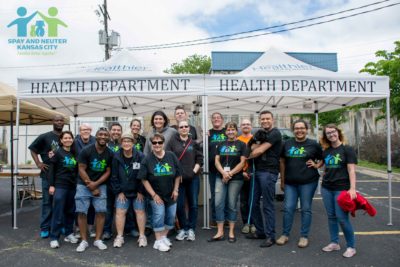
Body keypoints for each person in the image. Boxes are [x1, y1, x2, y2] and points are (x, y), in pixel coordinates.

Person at [276, 119, 322, 248]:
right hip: (290, 183)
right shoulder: (286, 143)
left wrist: (317, 164)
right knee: (288, 208)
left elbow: (324, 157)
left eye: (302, 128)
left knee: (306, 209)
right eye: (296, 128)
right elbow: (282, 162)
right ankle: (285, 234)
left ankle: (304, 236)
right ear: (293, 130)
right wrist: (283, 181)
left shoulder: (313, 144)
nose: (299, 130)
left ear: (306, 130)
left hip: (308, 182)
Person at [138, 133, 181, 252]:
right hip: (156, 194)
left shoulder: (171, 156)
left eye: (159, 142)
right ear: (151, 144)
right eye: (154, 142)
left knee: (171, 216)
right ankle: (157, 241)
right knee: (158, 216)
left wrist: (176, 189)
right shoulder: (147, 159)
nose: (157, 145)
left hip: (171, 193)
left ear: (163, 143)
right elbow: (144, 179)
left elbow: (178, 174)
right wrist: (153, 195)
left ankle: (163, 237)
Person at [320, 124, 357, 258]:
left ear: (338, 132)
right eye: (328, 133)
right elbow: (325, 167)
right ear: (326, 136)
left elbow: (351, 170)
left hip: (341, 189)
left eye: (333, 132)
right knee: (331, 217)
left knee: (342, 218)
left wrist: (352, 188)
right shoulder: (326, 151)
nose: (331, 135)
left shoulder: (347, 149)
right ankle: (334, 243)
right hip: (326, 188)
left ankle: (351, 246)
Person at [247, 110, 282, 248]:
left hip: (268, 172)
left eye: (267, 118)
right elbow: (250, 147)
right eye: (263, 119)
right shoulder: (261, 133)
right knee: (253, 203)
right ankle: (260, 231)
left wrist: (253, 149)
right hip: (257, 172)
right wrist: (252, 148)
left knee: (267, 205)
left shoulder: (275, 133)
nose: (265, 121)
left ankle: (270, 236)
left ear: (272, 119)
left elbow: (257, 151)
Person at [75, 127, 113, 252]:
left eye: (105, 135)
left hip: (100, 184)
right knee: (81, 212)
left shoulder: (110, 153)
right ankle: (84, 240)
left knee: (101, 212)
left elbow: (108, 171)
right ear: (95, 136)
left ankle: (97, 239)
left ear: (109, 138)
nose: (103, 137)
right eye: (100, 134)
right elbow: (81, 168)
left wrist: (95, 184)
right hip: (84, 184)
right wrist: (90, 186)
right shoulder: (86, 151)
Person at [208, 122, 247, 243]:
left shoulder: (242, 144)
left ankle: (231, 232)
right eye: (228, 130)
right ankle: (220, 232)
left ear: (236, 131)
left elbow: (242, 163)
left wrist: (230, 174)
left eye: (233, 129)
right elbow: (216, 161)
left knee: (231, 204)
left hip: (236, 178)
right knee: (218, 203)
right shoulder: (220, 144)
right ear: (226, 132)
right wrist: (224, 173)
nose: (230, 132)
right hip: (221, 177)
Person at [166, 120, 203, 241]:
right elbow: (169, 159)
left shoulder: (194, 143)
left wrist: (193, 172)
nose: (184, 128)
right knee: (180, 205)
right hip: (178, 180)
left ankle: (191, 229)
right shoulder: (172, 142)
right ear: (178, 129)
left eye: (186, 126)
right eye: (181, 127)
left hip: (193, 178)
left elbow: (199, 159)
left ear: (189, 128)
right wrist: (176, 174)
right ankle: (183, 229)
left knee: (193, 204)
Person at [29, 115, 65, 238]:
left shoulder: (66, 137)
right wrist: (38, 163)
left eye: (61, 120)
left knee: (61, 202)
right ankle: (45, 227)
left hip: (62, 176)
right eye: (57, 120)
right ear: (52, 122)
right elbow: (32, 149)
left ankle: (61, 225)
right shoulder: (45, 137)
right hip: (47, 175)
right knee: (47, 202)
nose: (59, 122)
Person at [110, 132, 146, 248]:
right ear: (121, 143)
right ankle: (120, 237)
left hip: (137, 191)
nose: (126, 143)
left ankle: (142, 236)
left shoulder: (140, 156)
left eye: (129, 141)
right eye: (124, 141)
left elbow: (143, 175)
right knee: (120, 212)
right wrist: (119, 191)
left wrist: (140, 191)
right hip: (122, 191)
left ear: (133, 143)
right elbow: (114, 176)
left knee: (140, 211)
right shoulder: (116, 156)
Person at [48, 131, 79, 248]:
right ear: (61, 140)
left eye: (70, 138)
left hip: (72, 186)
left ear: (72, 140)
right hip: (60, 185)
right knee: (58, 211)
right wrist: (51, 185)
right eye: (65, 138)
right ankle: (54, 237)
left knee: (70, 211)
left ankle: (69, 233)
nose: (68, 140)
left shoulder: (74, 153)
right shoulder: (57, 153)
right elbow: (51, 170)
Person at [75, 123, 96, 238]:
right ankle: (78, 228)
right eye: (83, 129)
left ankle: (91, 227)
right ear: (80, 131)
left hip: (93, 177)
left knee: (92, 205)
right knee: (80, 206)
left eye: (88, 129)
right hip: (79, 178)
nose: (86, 131)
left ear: (91, 130)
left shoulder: (95, 141)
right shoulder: (74, 141)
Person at [103, 122, 123, 240]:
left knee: (124, 206)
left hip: (122, 180)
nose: (116, 132)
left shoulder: (124, 143)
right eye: (114, 130)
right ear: (110, 131)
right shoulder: (105, 144)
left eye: (118, 130)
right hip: (108, 181)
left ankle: (128, 228)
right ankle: (107, 230)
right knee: (108, 207)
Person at [208, 112, 226, 227]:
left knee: (226, 195)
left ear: (222, 119)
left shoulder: (227, 131)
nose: (216, 119)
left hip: (227, 169)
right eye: (214, 118)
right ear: (211, 120)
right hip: (213, 169)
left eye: (218, 117)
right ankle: (215, 219)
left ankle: (226, 218)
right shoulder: (208, 133)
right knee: (215, 195)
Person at [237, 119, 254, 234]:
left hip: (253, 173)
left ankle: (253, 223)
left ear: (251, 126)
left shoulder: (256, 140)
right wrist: (241, 172)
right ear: (240, 127)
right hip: (241, 173)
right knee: (243, 201)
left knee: (253, 200)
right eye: (243, 124)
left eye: (248, 124)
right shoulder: (237, 140)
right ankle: (245, 223)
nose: (246, 126)